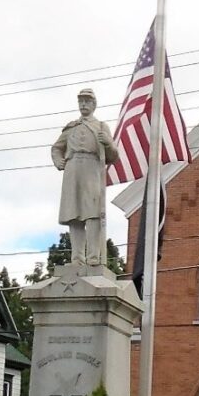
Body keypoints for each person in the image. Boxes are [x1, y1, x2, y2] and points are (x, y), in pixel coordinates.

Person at [51, 88, 119, 266]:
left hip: (92, 167)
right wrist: (59, 161)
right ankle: (77, 258)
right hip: (72, 168)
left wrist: (109, 144)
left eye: (87, 101)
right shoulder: (71, 127)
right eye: (81, 101)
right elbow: (57, 147)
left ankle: (93, 257)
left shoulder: (101, 127)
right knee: (73, 214)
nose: (83, 105)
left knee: (92, 213)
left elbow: (113, 156)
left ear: (94, 104)